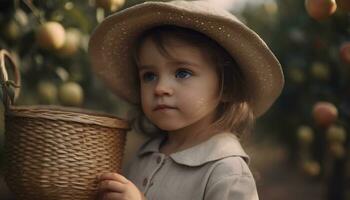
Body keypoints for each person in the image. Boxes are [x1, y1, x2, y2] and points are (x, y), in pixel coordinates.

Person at [88, 1, 284, 200]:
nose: (160, 88)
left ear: (227, 87)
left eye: (182, 73)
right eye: (149, 76)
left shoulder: (227, 172)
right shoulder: (145, 154)